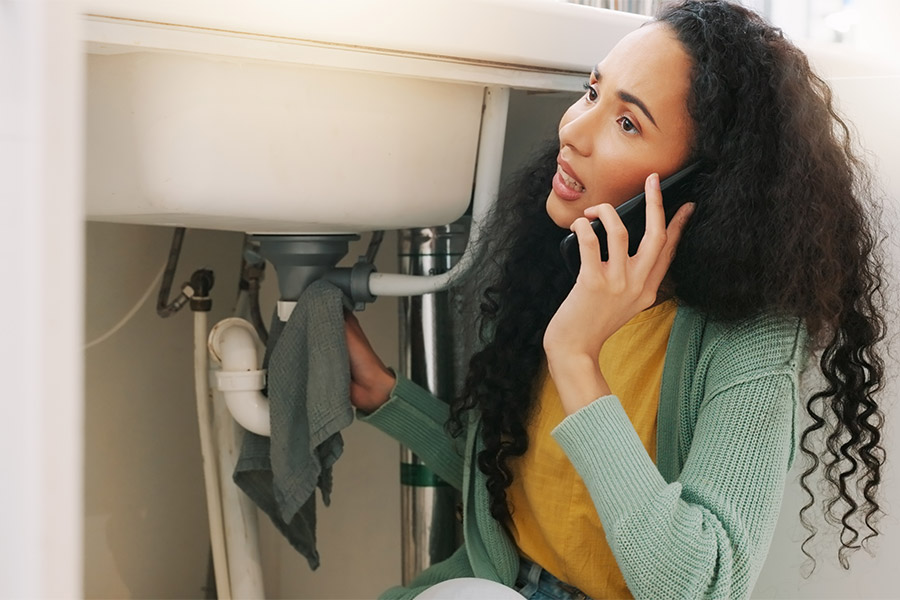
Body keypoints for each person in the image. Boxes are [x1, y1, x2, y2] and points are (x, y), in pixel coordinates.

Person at [343, 1, 887, 598]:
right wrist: (389, 399)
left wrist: (576, 358)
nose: (573, 129)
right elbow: (524, 478)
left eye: (628, 123)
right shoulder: (568, 255)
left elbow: (702, 586)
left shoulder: (752, 340)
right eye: (591, 92)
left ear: (706, 182)